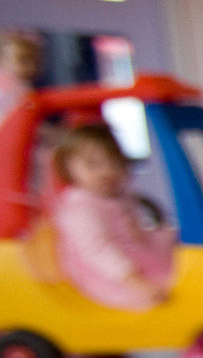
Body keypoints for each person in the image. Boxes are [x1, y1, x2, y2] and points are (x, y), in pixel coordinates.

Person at [50, 124, 175, 311]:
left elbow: (139, 233)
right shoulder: (81, 209)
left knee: (185, 264)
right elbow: (99, 251)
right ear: (68, 168)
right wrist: (136, 282)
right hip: (110, 277)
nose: (106, 171)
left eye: (114, 162)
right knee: (172, 290)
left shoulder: (118, 197)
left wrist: (172, 236)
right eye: (93, 164)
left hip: (137, 259)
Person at [0, 30, 41, 116]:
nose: (31, 66)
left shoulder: (23, 85)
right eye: (23, 61)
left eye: (35, 61)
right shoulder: (6, 88)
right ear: (3, 60)